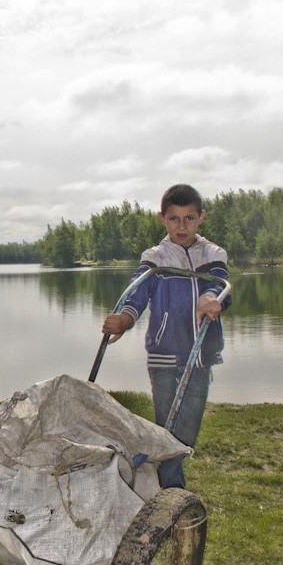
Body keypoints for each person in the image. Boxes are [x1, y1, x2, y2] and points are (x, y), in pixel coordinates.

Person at [102, 183, 231, 489]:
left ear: (201, 217)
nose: (181, 226)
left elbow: (222, 287)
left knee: (185, 431)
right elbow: (139, 292)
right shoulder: (156, 256)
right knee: (166, 425)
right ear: (162, 218)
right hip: (163, 355)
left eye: (189, 218)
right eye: (174, 218)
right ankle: (172, 492)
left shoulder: (213, 253)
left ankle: (153, 474)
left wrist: (209, 299)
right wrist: (124, 319)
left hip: (200, 355)